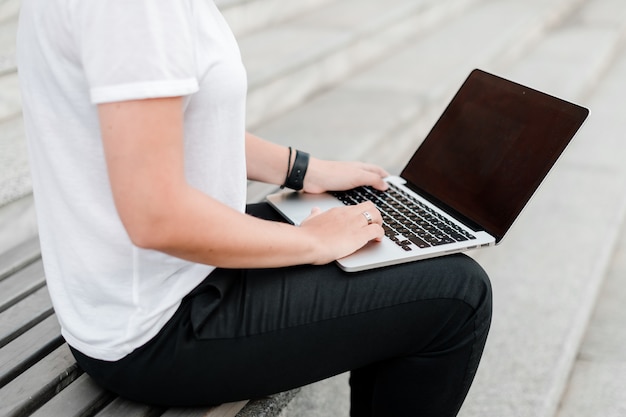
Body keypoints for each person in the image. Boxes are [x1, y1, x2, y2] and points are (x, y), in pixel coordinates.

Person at [16, 1, 492, 416]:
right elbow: (155, 216)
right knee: (458, 295)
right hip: (159, 325)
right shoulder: (137, 9)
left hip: (149, 283)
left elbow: (171, 126)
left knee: (392, 247)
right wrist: (314, 240)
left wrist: (305, 170)